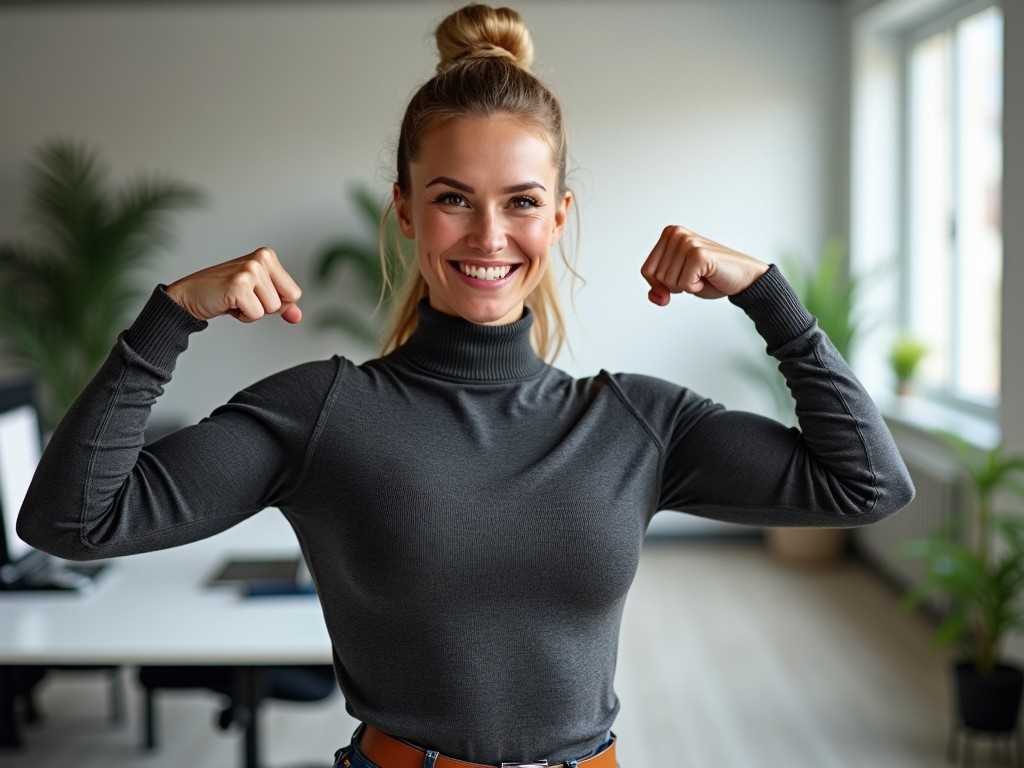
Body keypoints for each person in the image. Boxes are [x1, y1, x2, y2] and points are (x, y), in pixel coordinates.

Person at [18, 4, 914, 768]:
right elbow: (72, 521)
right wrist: (170, 317)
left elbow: (866, 484)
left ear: (559, 216)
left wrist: (770, 299)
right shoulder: (322, 412)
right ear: (405, 209)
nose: (489, 234)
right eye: (452, 198)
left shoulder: (636, 421)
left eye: (522, 201)